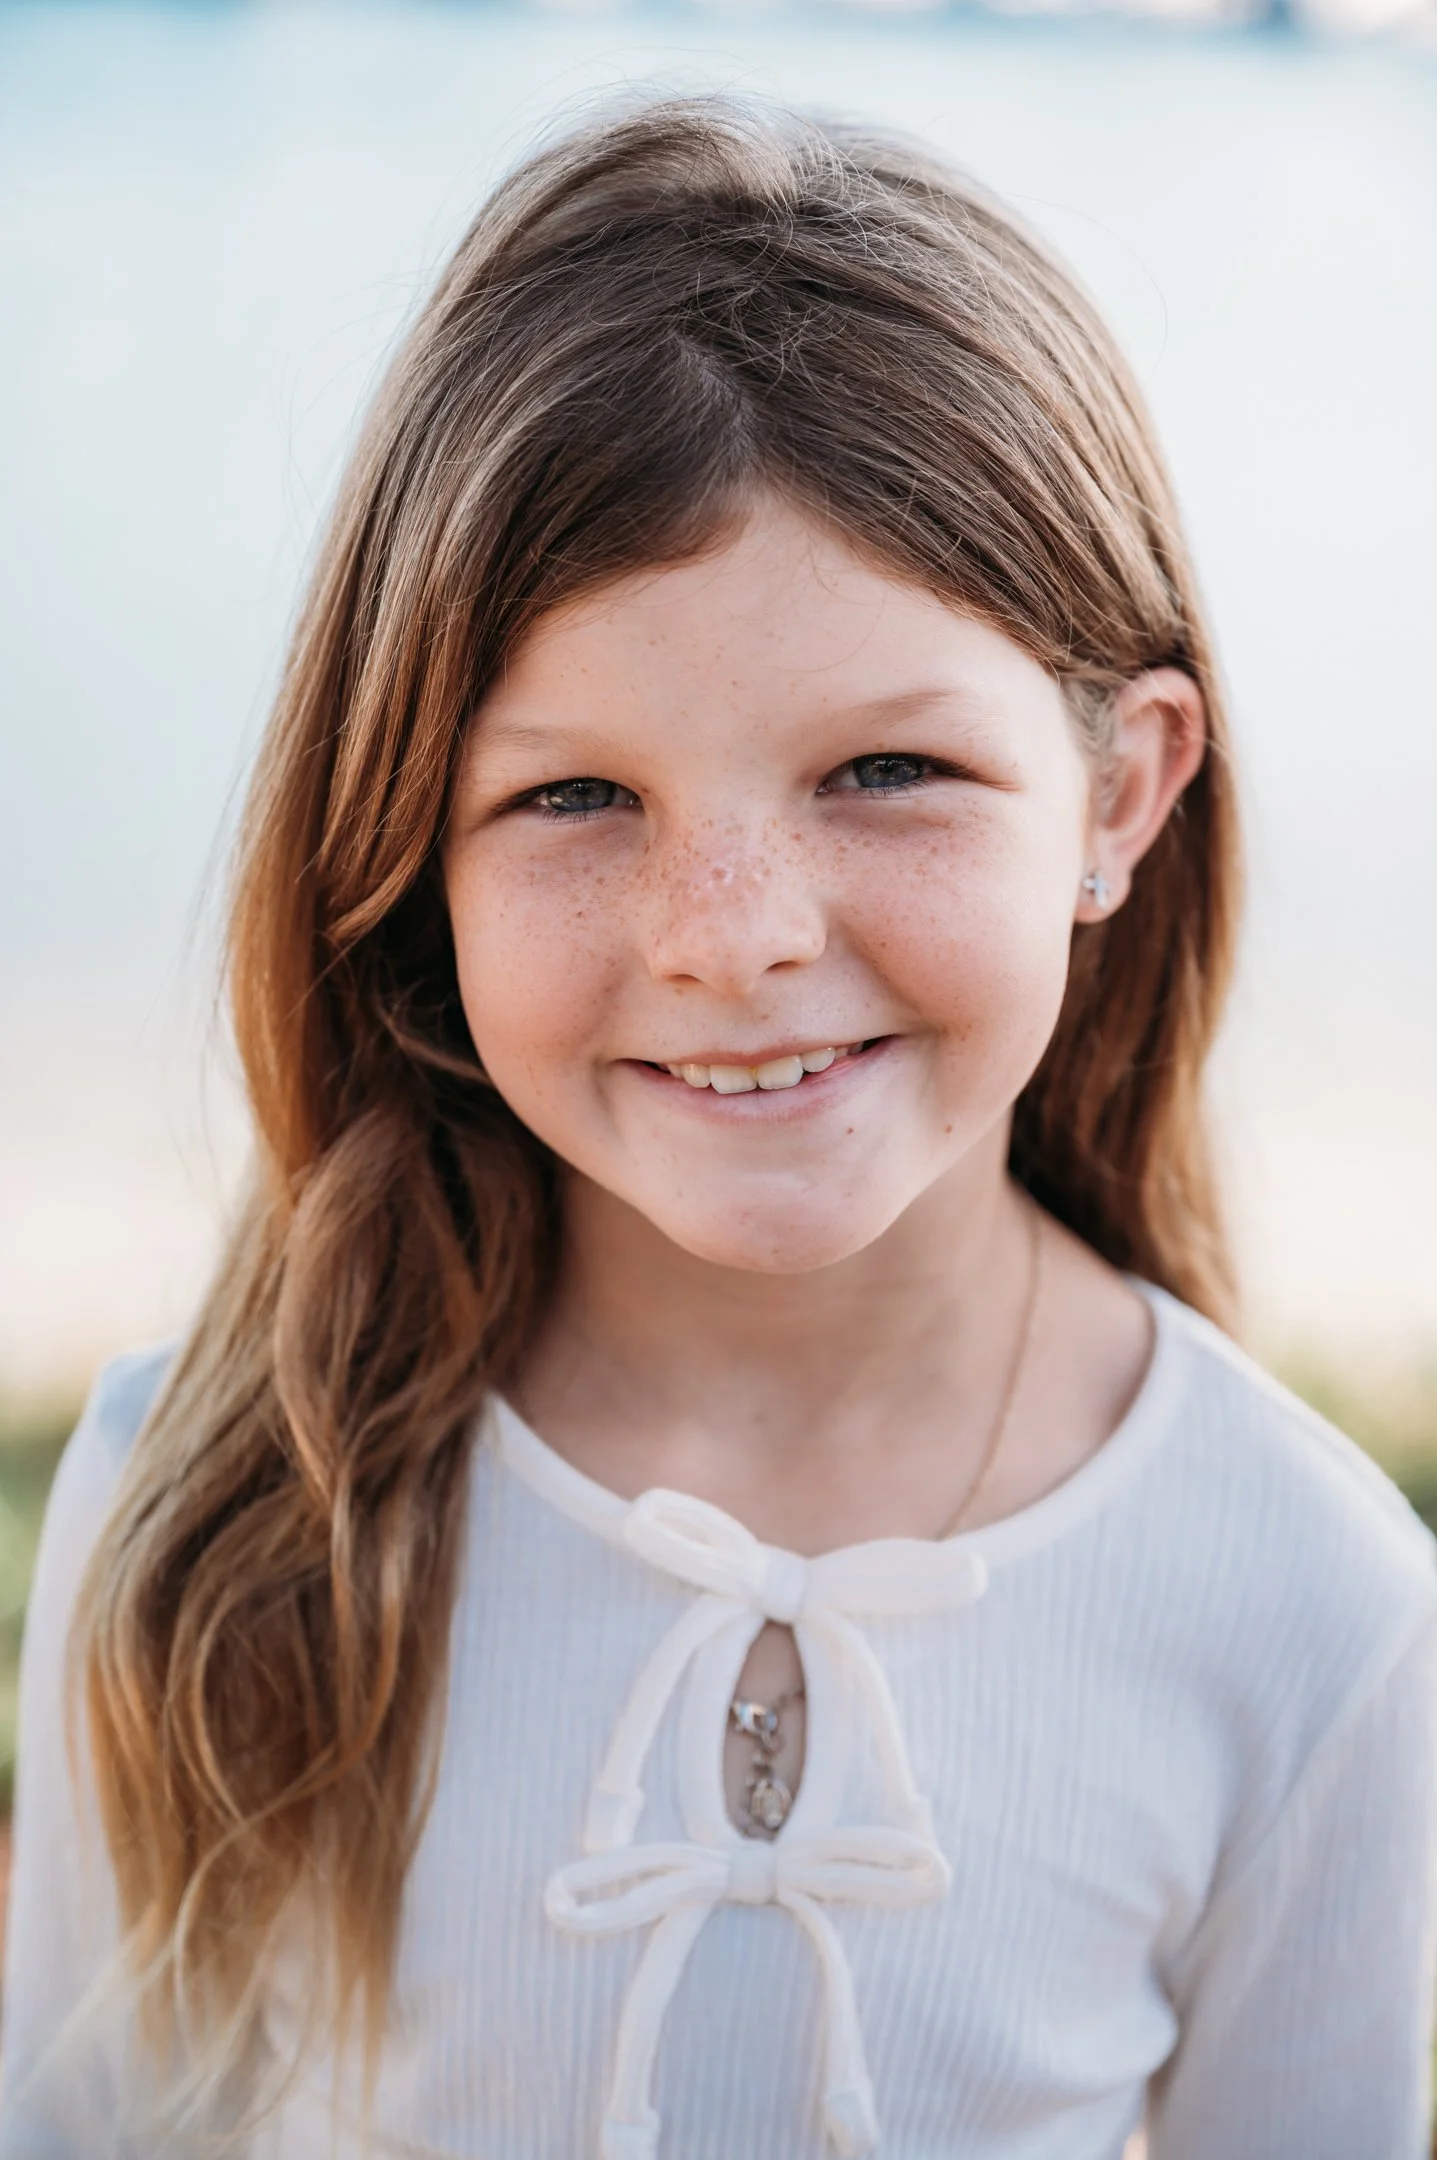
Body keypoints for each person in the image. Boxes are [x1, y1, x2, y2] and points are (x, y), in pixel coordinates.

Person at [3, 93, 1434, 2160]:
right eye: (576, 797)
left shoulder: (1309, 1609)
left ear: (1118, 793)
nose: (733, 943)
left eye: (881, 769)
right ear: (414, 849)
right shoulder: (210, 1505)